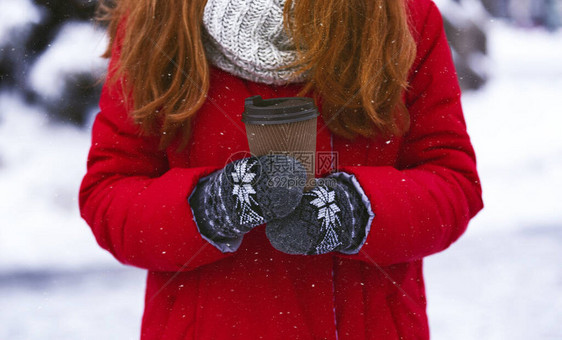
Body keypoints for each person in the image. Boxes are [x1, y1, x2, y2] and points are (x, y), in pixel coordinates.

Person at [79, 0, 483, 338]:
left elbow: (453, 181)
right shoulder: (157, 18)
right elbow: (108, 194)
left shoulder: (401, 14)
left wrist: (354, 210)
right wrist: (209, 207)